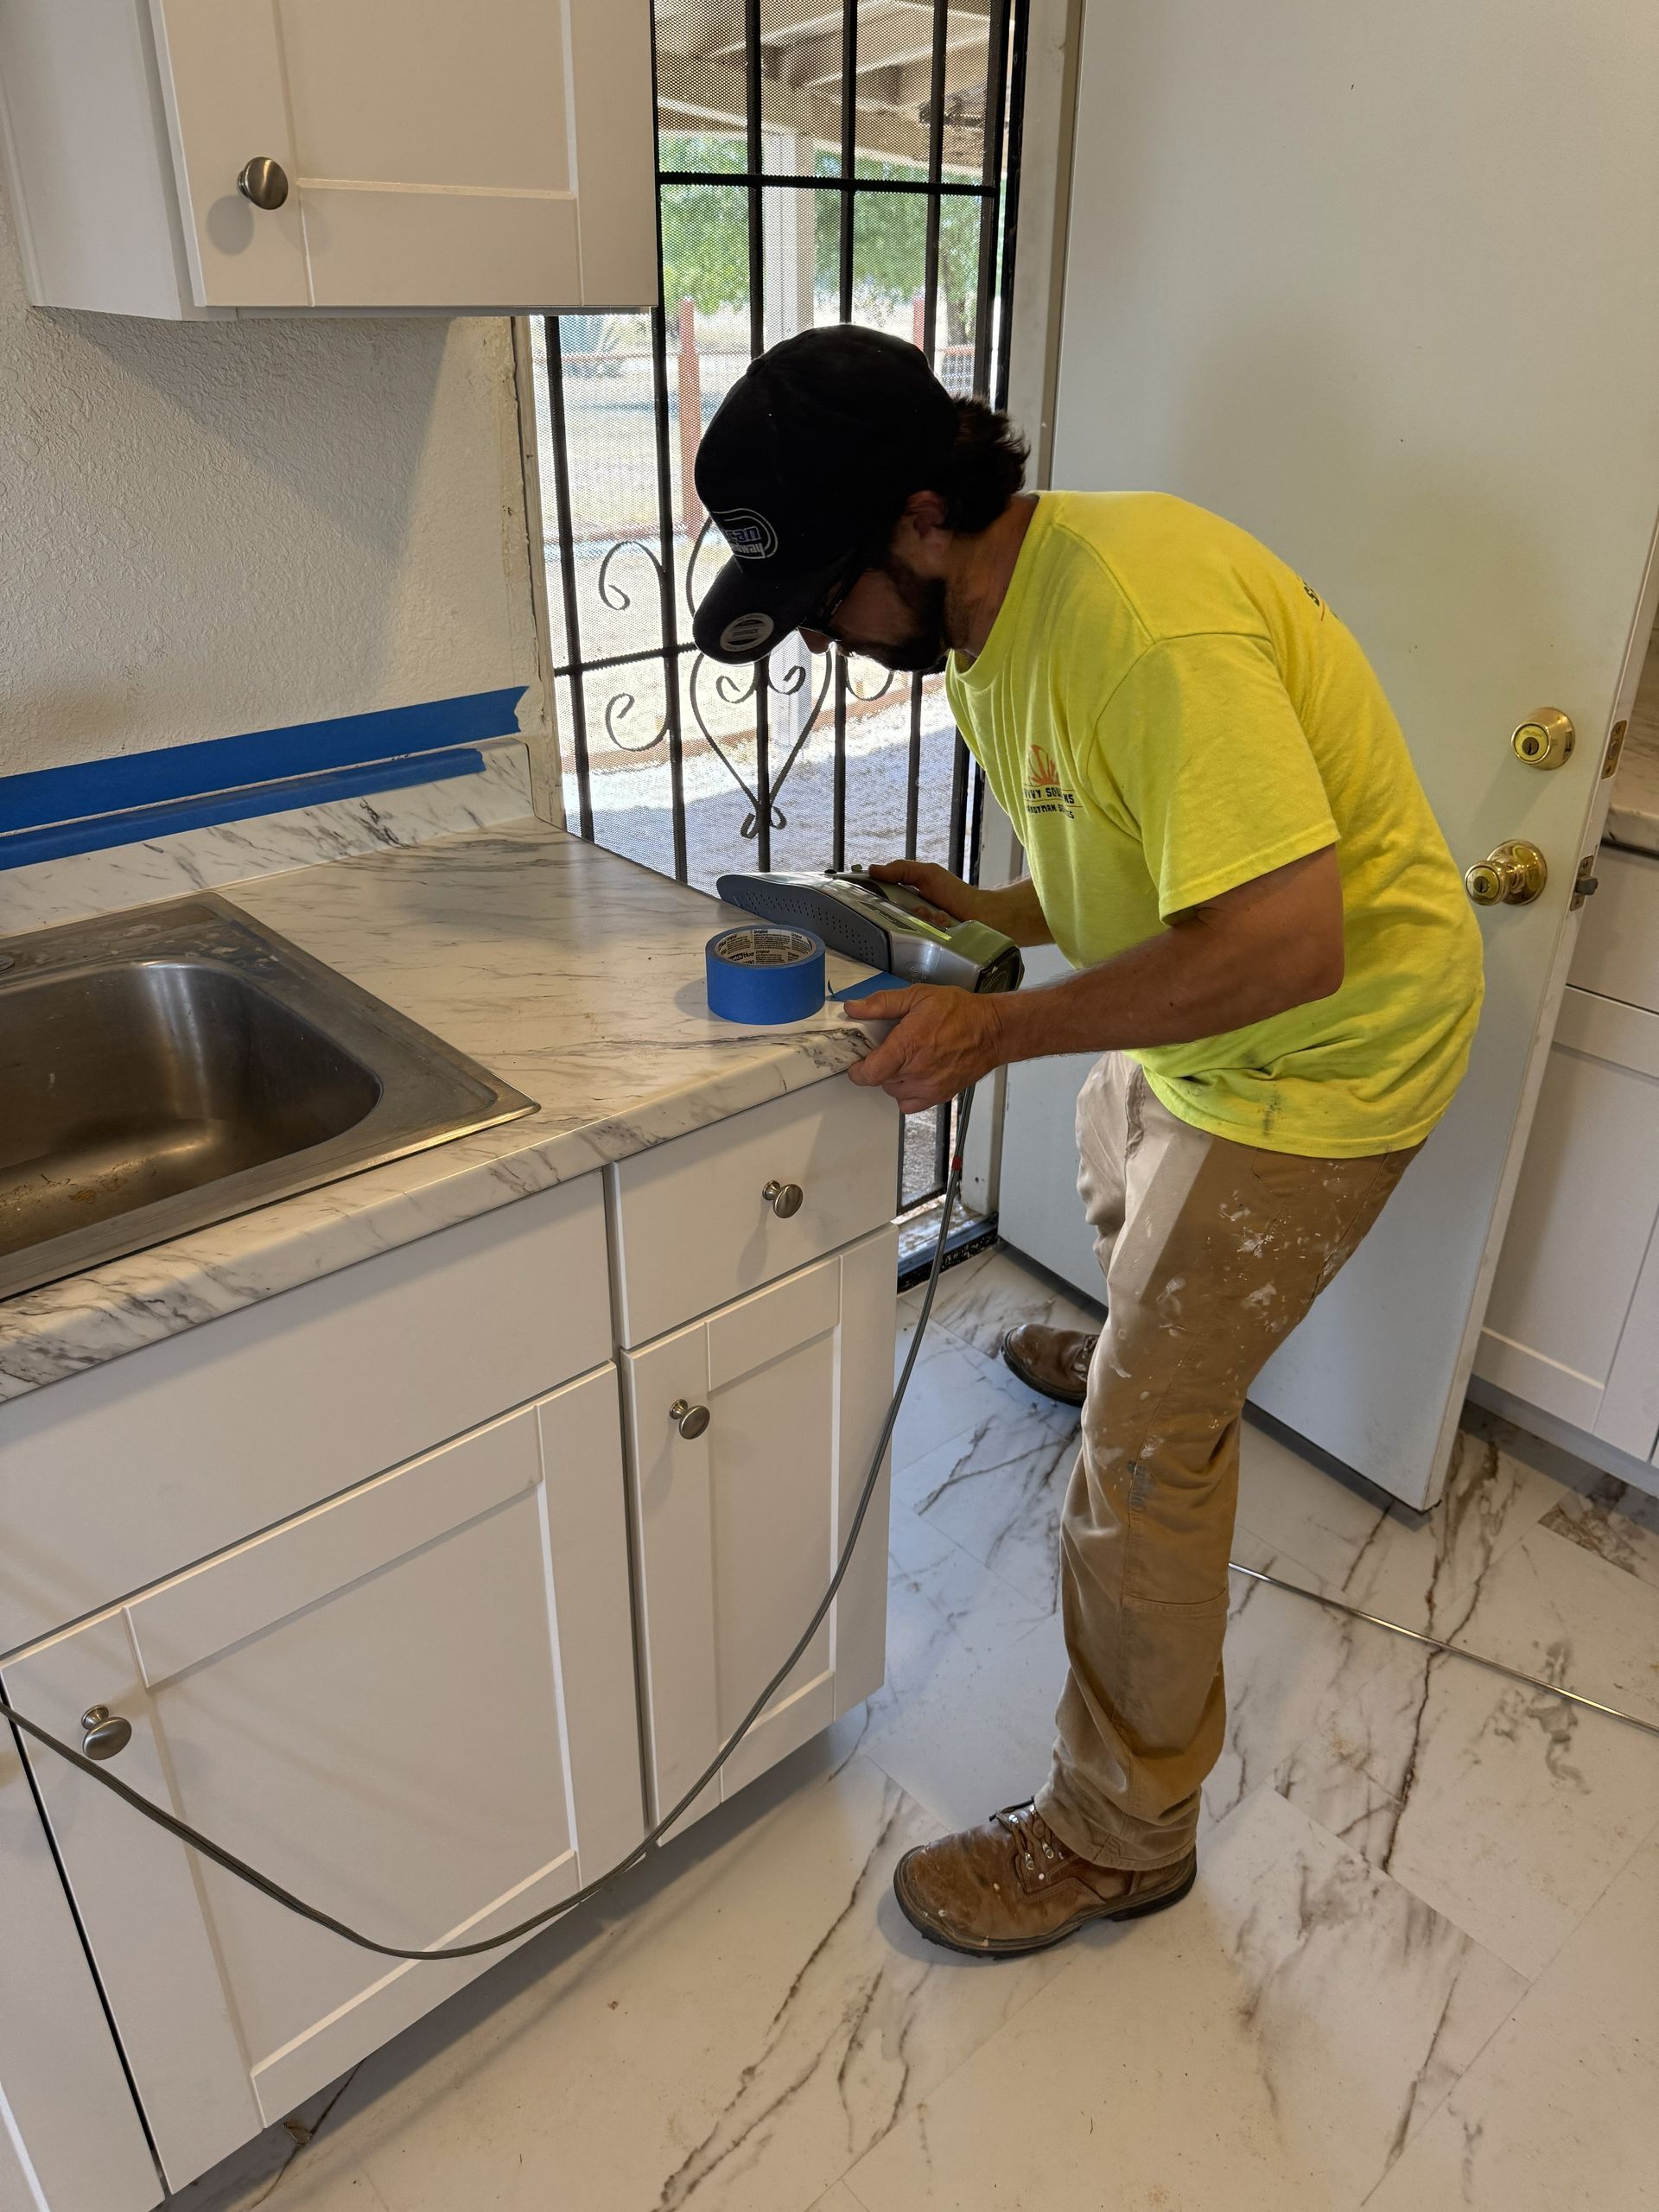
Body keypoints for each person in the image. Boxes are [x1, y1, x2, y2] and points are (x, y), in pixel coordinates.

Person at [691, 325, 1484, 1958]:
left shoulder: (1140, 625)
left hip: (1327, 1051)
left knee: (1143, 1449)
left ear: (921, 520)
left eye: (834, 589)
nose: (835, 638)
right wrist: (992, 915)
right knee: (1122, 1196)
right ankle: (1148, 1337)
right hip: (1209, 1034)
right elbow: (1144, 847)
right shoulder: (987, 623)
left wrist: (996, 1022)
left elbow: (1282, 943)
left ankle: (1122, 1835)